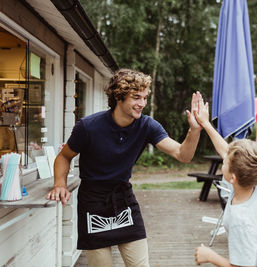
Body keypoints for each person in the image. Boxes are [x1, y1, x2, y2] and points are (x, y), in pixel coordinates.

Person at [46, 69, 203, 267]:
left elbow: (183, 154)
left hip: (124, 200)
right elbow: (64, 156)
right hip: (93, 202)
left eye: (145, 97)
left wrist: (194, 130)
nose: (142, 103)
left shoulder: (147, 125)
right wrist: (59, 183)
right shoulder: (88, 127)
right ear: (118, 96)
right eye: (136, 97)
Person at [193, 99, 257, 266]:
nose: (224, 159)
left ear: (233, 177)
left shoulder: (241, 221)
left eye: (226, 162)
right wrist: (206, 123)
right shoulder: (254, 183)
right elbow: (226, 150)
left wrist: (209, 256)